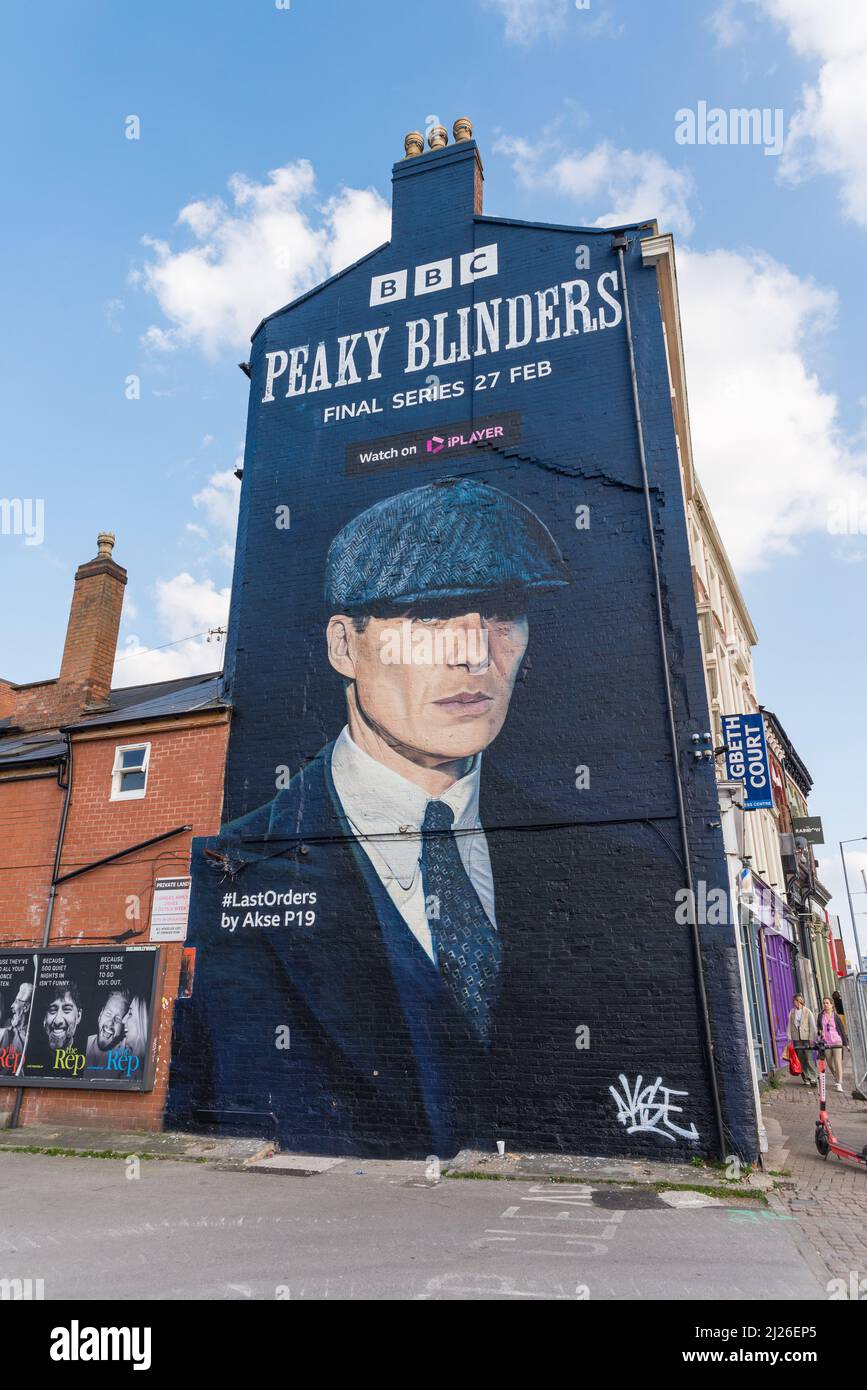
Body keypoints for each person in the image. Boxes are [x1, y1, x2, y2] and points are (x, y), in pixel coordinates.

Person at [185, 477, 570, 1154]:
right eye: (426, 616)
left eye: (503, 613)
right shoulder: (237, 864)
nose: (475, 652)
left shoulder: (600, 862)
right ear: (343, 645)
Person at [85, 990, 130, 1068]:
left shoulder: (126, 1059)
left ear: (123, 1026)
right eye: (108, 1014)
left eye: (118, 1019)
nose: (110, 1023)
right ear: (100, 1015)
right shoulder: (82, 1044)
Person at [786, 993, 818, 1087]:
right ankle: (806, 1078)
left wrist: (812, 1038)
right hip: (797, 1038)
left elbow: (812, 1025)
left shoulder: (807, 1011)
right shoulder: (792, 1012)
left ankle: (813, 1077)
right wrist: (789, 1038)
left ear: (799, 1001)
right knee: (801, 1059)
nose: (794, 1003)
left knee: (809, 1058)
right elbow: (789, 1025)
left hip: (806, 1038)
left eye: (795, 1001)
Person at [818, 995, 848, 1092]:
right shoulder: (820, 1015)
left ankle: (839, 1082)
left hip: (837, 1041)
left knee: (837, 1062)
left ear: (831, 1005)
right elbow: (819, 1027)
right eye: (824, 1003)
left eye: (827, 1003)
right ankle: (836, 1076)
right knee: (830, 1063)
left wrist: (846, 1043)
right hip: (826, 1042)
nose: (825, 1005)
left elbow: (842, 1030)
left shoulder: (836, 1016)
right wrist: (820, 1032)